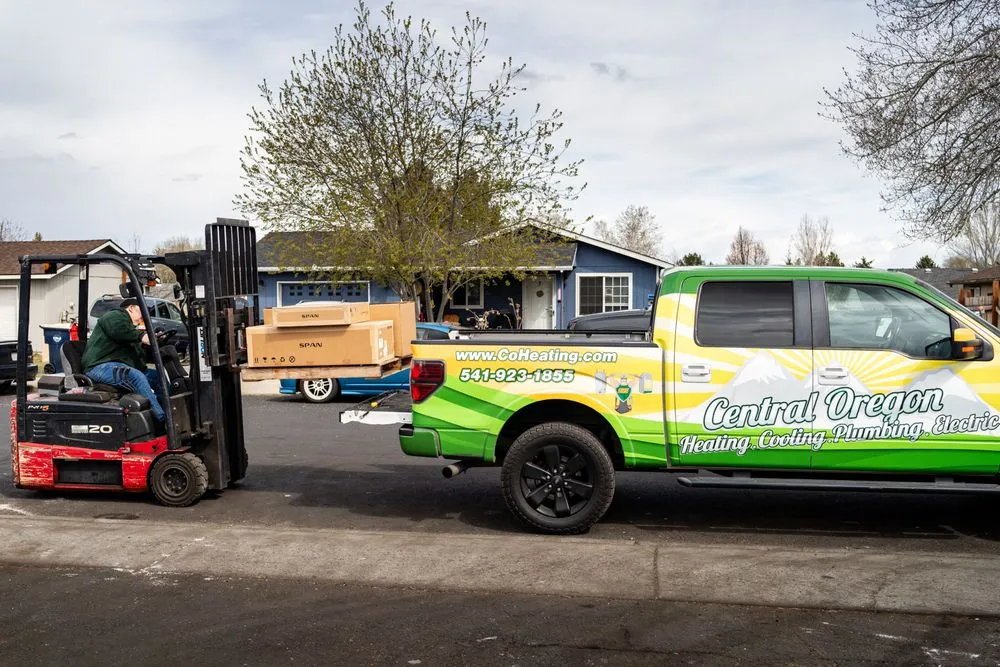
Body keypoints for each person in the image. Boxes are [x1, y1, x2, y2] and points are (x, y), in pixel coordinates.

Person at [82, 298, 165, 422]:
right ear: (131, 308)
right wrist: (141, 336)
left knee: (158, 377)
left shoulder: (129, 328)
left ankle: (168, 410)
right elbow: (118, 330)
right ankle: (162, 419)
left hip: (115, 365)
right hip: (99, 366)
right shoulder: (115, 316)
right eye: (141, 312)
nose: (142, 318)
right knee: (136, 376)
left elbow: (137, 355)